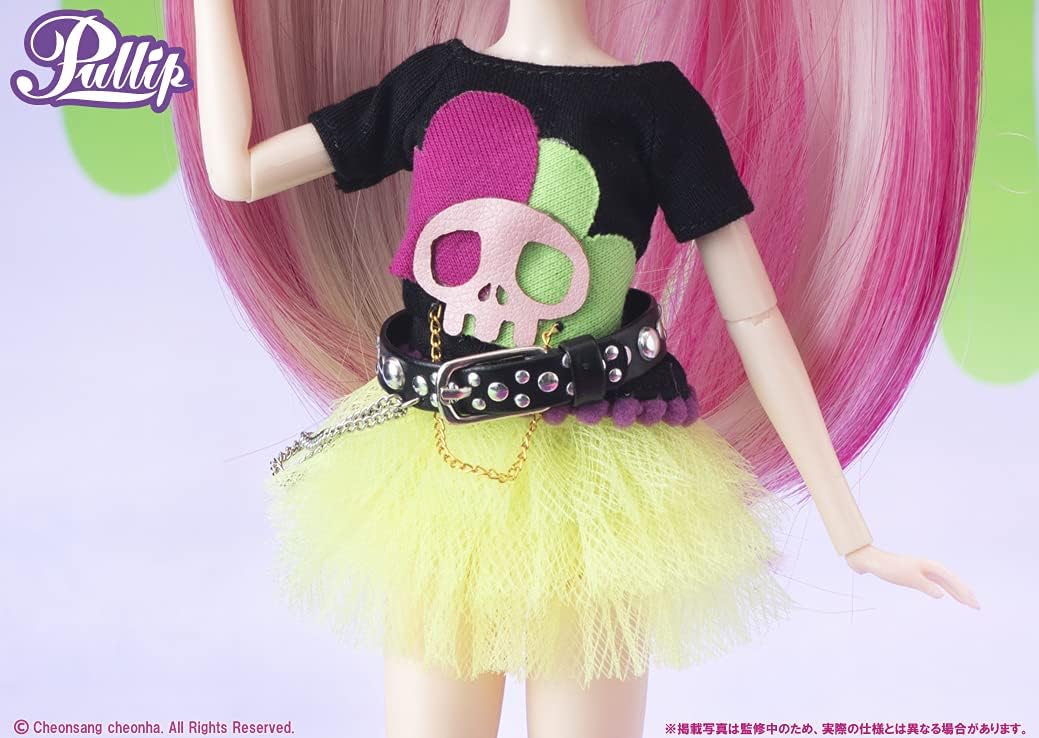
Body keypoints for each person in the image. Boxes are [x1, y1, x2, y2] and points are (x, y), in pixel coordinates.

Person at [165, 1, 981, 735]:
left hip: (599, 481)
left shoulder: (654, 105)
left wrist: (852, 535)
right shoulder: (433, 83)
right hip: (438, 471)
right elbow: (238, 172)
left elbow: (755, 318)